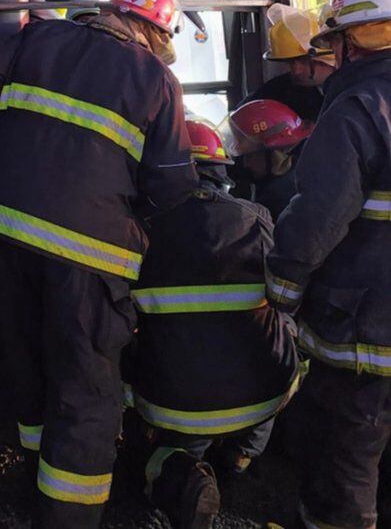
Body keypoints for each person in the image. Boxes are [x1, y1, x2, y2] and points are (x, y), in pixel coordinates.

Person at [0, 0, 198, 528]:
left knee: (26, 360)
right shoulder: (156, 81)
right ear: (155, 32)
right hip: (87, 251)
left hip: (0, 229)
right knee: (86, 386)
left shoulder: (40, 39)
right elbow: (171, 184)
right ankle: (67, 515)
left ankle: (31, 472)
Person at [125, 118, 299, 528]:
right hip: (263, 397)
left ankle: (181, 464)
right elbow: (289, 295)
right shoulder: (258, 219)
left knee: (172, 418)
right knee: (283, 334)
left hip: (177, 404)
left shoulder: (141, 232)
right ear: (221, 170)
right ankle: (241, 458)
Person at [266, 0, 391, 529]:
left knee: (347, 455)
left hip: (367, 322)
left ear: (344, 46)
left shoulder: (356, 108)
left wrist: (282, 287)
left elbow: (318, 213)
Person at [233, 5, 335, 218]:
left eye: (302, 61)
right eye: (290, 63)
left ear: (325, 55)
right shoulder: (279, 90)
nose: (295, 70)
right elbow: (243, 123)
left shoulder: (353, 95)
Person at [227, 98, 315, 221]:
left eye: (250, 155)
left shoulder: (277, 199)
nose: (246, 164)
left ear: (274, 155)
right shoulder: (305, 174)